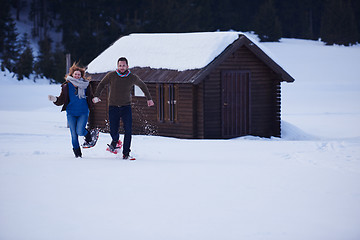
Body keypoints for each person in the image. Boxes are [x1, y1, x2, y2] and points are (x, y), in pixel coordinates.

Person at [92, 57, 154, 159]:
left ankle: (126, 153)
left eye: (123, 65)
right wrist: (96, 96)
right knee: (113, 130)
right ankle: (116, 141)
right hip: (113, 107)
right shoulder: (111, 75)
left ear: (127, 66)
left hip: (126, 107)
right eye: (120, 65)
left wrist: (149, 99)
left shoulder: (132, 77)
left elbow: (142, 85)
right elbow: (102, 84)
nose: (121, 67)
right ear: (117, 66)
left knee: (128, 130)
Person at [48, 63, 98, 158]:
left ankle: (88, 134)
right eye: (75, 74)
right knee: (74, 135)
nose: (77, 76)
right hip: (71, 113)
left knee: (79, 131)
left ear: (81, 75)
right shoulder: (66, 86)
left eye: (79, 74)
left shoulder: (86, 85)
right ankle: (78, 156)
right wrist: (54, 99)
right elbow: (61, 100)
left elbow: (91, 97)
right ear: (72, 75)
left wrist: (94, 99)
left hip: (83, 112)